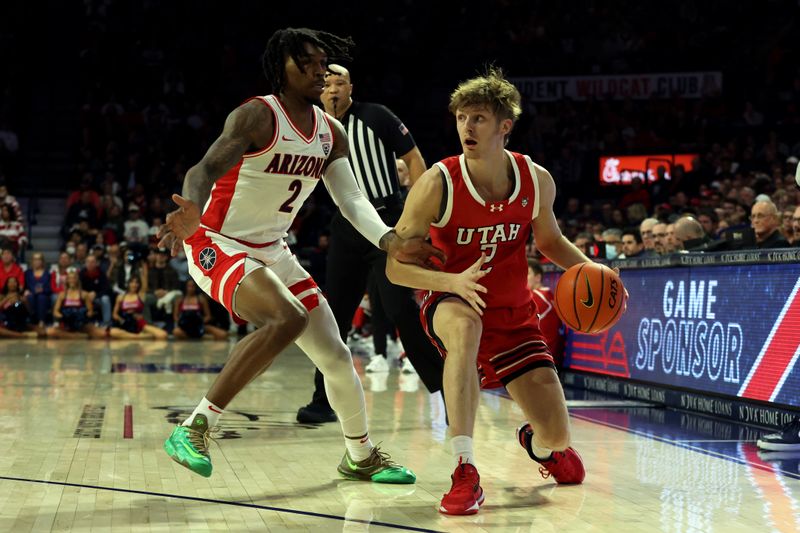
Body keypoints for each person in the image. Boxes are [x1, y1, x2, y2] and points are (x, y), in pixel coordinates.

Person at [156, 28, 442, 481]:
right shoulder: (258, 115)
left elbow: (351, 201)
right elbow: (205, 167)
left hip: (272, 250)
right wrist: (191, 204)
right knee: (287, 319)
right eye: (306, 61)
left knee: (336, 355)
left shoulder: (331, 132)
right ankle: (194, 428)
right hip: (217, 240)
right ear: (281, 68)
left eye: (323, 62)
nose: (319, 70)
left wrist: (390, 240)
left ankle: (360, 454)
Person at [386, 68, 589, 515]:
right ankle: (464, 469)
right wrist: (450, 283)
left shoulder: (535, 179)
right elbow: (395, 267)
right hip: (452, 298)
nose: (466, 127)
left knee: (558, 436)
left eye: (477, 118)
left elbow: (551, 242)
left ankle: (538, 446)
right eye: (461, 118)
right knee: (464, 325)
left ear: (504, 127)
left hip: (514, 313)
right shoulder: (437, 183)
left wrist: (592, 270)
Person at [296, 63, 444, 423]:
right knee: (334, 317)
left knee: (401, 310)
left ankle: (447, 391)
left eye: (339, 82)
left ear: (351, 87)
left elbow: (413, 157)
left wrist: (418, 213)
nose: (332, 88)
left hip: (388, 219)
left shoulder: (376, 115)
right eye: (326, 82)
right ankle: (323, 400)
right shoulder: (313, 127)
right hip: (347, 227)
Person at [47, 268, 106, 339]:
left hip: (81, 323)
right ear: (67, 280)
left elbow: (90, 311)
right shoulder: (62, 295)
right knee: (50, 332)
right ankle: (77, 336)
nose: (72, 280)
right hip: (67, 323)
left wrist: (83, 317)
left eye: (74, 278)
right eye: (70, 278)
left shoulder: (84, 294)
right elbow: (55, 311)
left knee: (100, 333)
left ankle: (74, 335)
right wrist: (63, 317)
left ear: (77, 280)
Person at [527, 259, 564, 369]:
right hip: (545, 360)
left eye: (527, 273)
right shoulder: (547, 295)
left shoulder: (537, 296)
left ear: (538, 278)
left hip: (540, 362)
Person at [24, 252, 52, 327]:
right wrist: (26, 291)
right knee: (30, 297)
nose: (37, 261)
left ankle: (41, 321)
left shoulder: (48, 273)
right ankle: (31, 320)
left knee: (41, 298)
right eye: (35, 259)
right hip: (31, 294)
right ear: (32, 261)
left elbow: (50, 288)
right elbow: (25, 286)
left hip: (44, 295)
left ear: (42, 261)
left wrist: (42, 290)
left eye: (39, 259)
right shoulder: (27, 273)